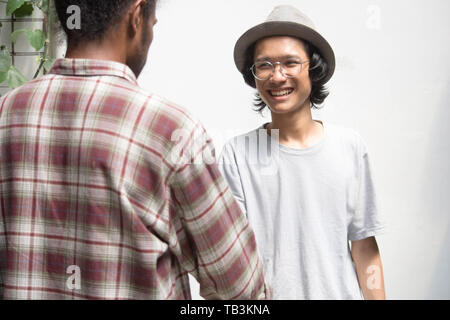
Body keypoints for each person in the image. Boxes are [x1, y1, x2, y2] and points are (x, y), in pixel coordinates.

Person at [0, 0, 269, 300]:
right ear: (137, 15)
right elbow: (242, 290)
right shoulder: (170, 129)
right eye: (152, 24)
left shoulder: (5, 113)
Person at [219, 5, 387, 300]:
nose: (277, 76)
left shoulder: (349, 146)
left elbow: (365, 250)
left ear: (314, 68)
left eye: (290, 62)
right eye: (264, 65)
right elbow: (233, 259)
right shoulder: (238, 153)